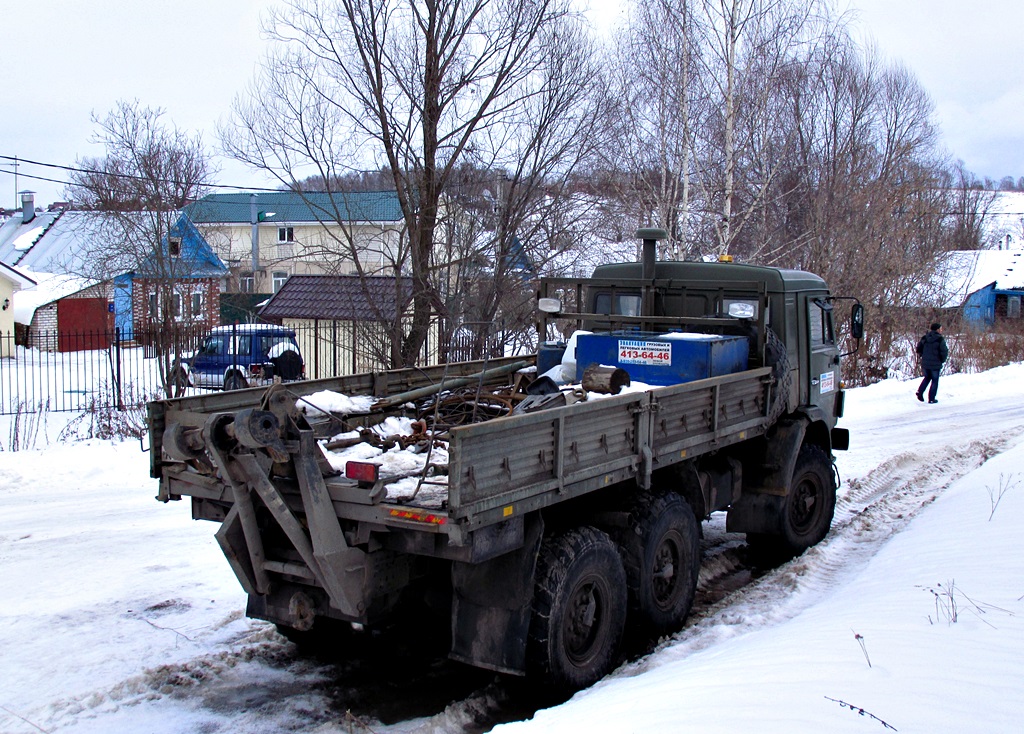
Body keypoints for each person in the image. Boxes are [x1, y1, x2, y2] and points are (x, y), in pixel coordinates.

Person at [916, 322, 949, 404]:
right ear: (937, 329)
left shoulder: (925, 338)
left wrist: (922, 356)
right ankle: (931, 398)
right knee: (935, 380)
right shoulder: (940, 339)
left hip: (925, 363)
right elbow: (944, 351)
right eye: (941, 329)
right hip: (935, 363)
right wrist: (942, 360)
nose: (942, 330)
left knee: (927, 378)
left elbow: (918, 348)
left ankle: (920, 392)